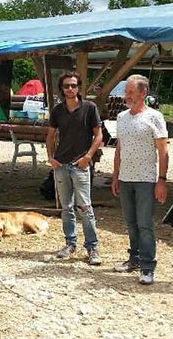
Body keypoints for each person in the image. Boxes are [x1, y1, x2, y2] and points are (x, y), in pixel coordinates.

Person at [111, 75, 168, 285]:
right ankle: (133, 258)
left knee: (145, 224)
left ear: (143, 93)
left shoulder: (155, 117)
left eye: (131, 92)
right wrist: (115, 176)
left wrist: (162, 180)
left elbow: (163, 151)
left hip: (146, 179)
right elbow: (119, 149)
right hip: (126, 178)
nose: (127, 96)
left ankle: (147, 265)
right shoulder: (122, 117)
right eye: (126, 92)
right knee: (131, 222)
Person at [46, 71, 104, 265]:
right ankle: (70, 243)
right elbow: (50, 135)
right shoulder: (58, 110)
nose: (70, 89)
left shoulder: (89, 108)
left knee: (85, 207)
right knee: (66, 208)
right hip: (61, 165)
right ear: (62, 89)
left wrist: (88, 156)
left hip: (80, 164)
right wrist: (51, 158)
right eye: (66, 86)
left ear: (79, 87)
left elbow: (99, 135)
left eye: (73, 85)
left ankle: (92, 247)